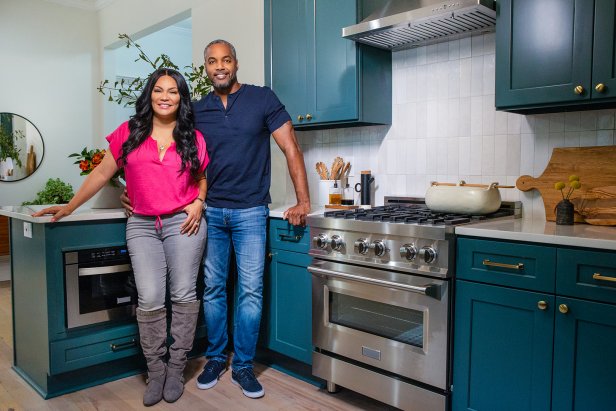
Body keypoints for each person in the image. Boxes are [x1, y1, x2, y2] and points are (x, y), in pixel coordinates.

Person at [122, 39, 311, 399]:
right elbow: (154, 146)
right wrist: (132, 191)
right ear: (206, 67)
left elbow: (290, 146)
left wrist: (303, 200)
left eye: (225, 60)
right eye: (212, 61)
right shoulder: (195, 109)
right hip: (206, 212)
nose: (219, 66)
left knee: (251, 290)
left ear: (235, 63)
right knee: (213, 288)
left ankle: (242, 365)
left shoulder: (262, 98)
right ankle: (214, 358)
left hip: (252, 211)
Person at [34, 68, 210, 407]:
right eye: (158, 90)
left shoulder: (193, 137)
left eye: (173, 91)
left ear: (181, 98)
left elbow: (202, 177)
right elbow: (102, 173)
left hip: (183, 224)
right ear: (149, 95)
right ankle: (155, 370)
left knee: (185, 293)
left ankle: (177, 367)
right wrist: (69, 206)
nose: (164, 96)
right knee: (149, 296)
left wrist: (199, 203)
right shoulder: (129, 132)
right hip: (142, 224)